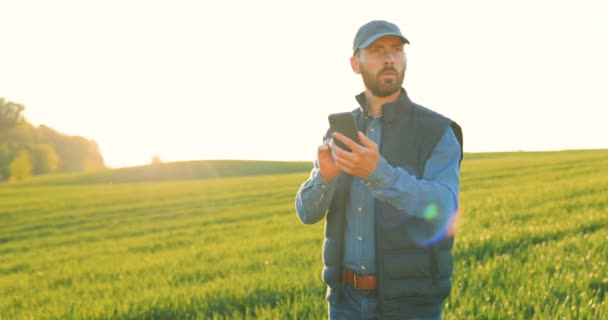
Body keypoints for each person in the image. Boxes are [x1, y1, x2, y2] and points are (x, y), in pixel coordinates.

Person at [295, 20, 463, 320]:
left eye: (396, 50)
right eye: (376, 50)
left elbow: (443, 205)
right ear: (354, 64)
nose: (389, 59)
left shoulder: (437, 131)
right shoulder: (339, 133)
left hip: (412, 306)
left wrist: (377, 172)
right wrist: (326, 178)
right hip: (344, 302)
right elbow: (306, 213)